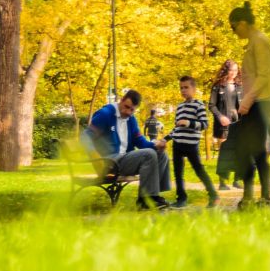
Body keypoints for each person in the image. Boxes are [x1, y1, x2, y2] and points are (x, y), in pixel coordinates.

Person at [230, 2, 270, 206]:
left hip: (262, 102)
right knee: (247, 149)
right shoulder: (254, 41)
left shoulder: (260, 41)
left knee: (255, 149)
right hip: (256, 101)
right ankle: (250, 196)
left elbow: (263, 75)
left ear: (243, 23)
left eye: (233, 27)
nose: (234, 32)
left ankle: (264, 197)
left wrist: (247, 100)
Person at [87, 88, 175, 210]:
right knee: (149, 154)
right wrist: (94, 155)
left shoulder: (131, 119)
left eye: (132, 110)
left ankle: (153, 196)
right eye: (126, 107)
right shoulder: (105, 114)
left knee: (161, 153)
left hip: (123, 159)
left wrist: (156, 145)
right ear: (122, 100)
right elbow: (86, 137)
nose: (128, 112)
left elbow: (140, 142)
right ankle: (145, 200)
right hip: (109, 162)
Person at [170, 75, 219, 208]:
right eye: (181, 88)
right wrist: (165, 139)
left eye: (186, 87)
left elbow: (204, 124)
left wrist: (188, 123)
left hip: (191, 145)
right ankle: (181, 199)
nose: (183, 90)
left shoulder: (199, 105)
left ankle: (214, 195)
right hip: (177, 144)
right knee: (178, 173)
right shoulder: (180, 107)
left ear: (194, 89)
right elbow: (176, 128)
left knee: (199, 170)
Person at [211, 60, 242, 190]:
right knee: (224, 152)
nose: (234, 73)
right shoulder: (218, 86)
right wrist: (220, 117)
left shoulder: (240, 85)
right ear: (226, 71)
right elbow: (212, 105)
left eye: (236, 70)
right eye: (231, 70)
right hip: (223, 124)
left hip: (238, 123)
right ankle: (222, 182)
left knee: (240, 151)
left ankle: (237, 180)